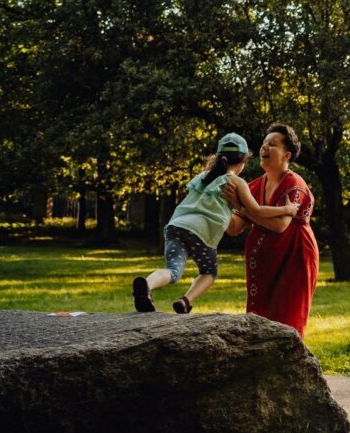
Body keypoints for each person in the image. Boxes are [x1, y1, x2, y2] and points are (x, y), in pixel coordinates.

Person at [133, 133, 297, 314]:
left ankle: (147, 285)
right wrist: (287, 210)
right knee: (209, 271)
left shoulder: (204, 176)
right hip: (200, 232)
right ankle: (186, 300)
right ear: (243, 161)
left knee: (173, 271)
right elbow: (257, 210)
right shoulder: (235, 181)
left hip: (175, 226)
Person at [223, 123, 319, 338]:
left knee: (287, 320)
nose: (264, 148)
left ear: (287, 155)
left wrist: (241, 206)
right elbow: (234, 228)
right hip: (264, 265)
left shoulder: (295, 183)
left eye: (272, 144)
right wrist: (216, 204)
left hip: (294, 259)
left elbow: (280, 225)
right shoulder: (254, 186)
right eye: (264, 144)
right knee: (260, 323)